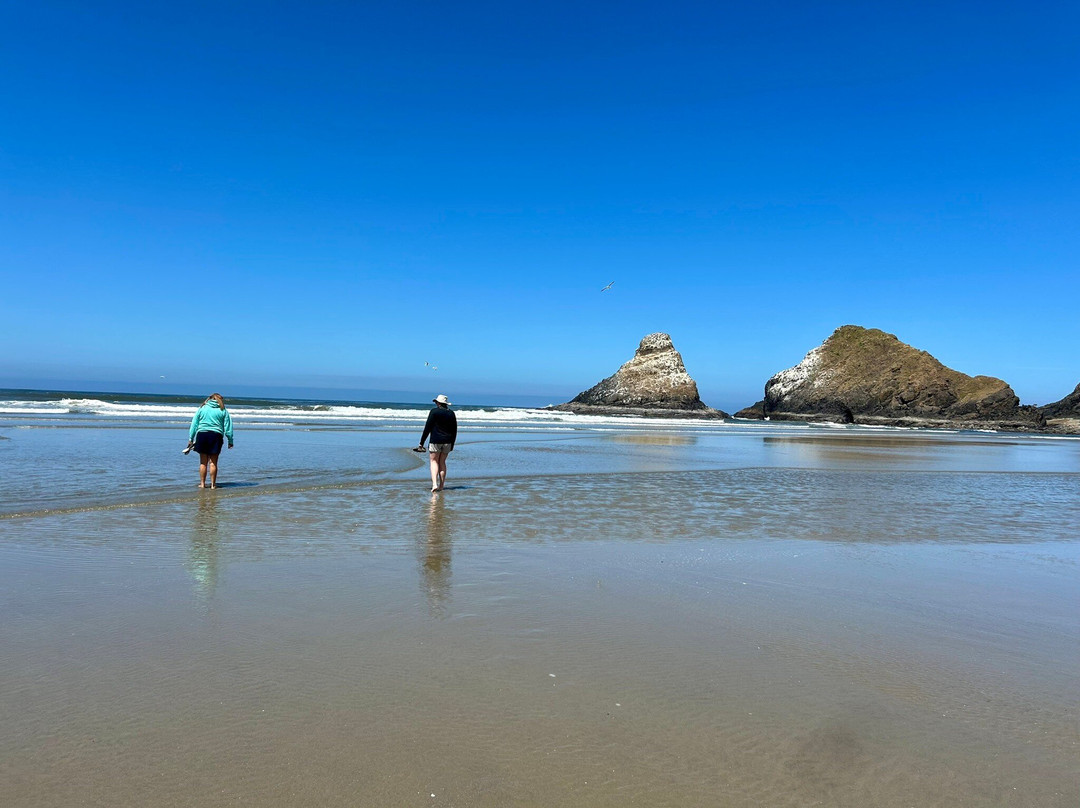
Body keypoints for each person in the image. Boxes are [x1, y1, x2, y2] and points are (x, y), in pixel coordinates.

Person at [188, 393, 234, 489]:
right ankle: (213, 485)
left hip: (202, 435)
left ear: (210, 399)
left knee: (203, 462)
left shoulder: (202, 408)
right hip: (216, 436)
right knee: (213, 462)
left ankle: (202, 484)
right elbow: (228, 427)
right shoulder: (223, 410)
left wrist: (191, 438)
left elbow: (194, 424)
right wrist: (230, 440)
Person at [418, 394, 457, 492]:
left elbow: (427, 428)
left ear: (438, 403)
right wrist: (452, 443)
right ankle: (442, 485)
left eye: (436, 402)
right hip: (448, 441)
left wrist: (421, 443)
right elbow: (454, 430)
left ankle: (434, 484)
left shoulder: (434, 412)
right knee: (442, 462)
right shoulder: (451, 413)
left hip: (435, 440)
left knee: (434, 461)